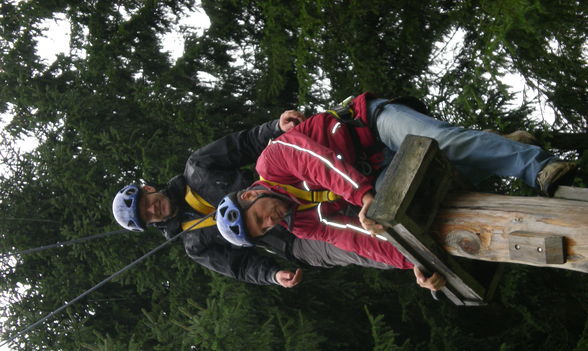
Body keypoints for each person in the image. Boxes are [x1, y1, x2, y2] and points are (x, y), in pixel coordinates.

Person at [215, 92, 577, 290]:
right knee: (429, 197)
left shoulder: (271, 161)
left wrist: (363, 196)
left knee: (442, 142)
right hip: (383, 174)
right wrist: (417, 261)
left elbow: (319, 162)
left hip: (371, 125)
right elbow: (357, 239)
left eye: (260, 217)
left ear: (249, 196)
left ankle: (538, 168)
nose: (270, 221)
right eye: (264, 229)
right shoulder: (302, 225)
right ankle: (495, 145)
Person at [112, 110, 391, 288]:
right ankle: (414, 255)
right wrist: (272, 275)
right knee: (356, 248)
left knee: (346, 177)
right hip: (294, 241)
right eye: (147, 217)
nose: (152, 210)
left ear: (148, 189)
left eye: (145, 204)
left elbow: (243, 145)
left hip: (286, 189)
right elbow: (240, 266)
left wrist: (275, 127)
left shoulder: (198, 167)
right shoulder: (194, 244)